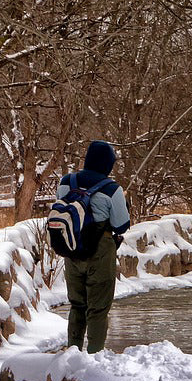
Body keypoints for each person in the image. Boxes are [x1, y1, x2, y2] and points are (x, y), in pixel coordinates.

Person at [57, 140, 130, 353]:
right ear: (108, 164)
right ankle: (95, 357)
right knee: (97, 309)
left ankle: (72, 355)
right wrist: (122, 203)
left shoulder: (66, 182)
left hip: (72, 249)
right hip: (101, 250)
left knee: (77, 305)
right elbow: (121, 225)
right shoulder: (112, 189)